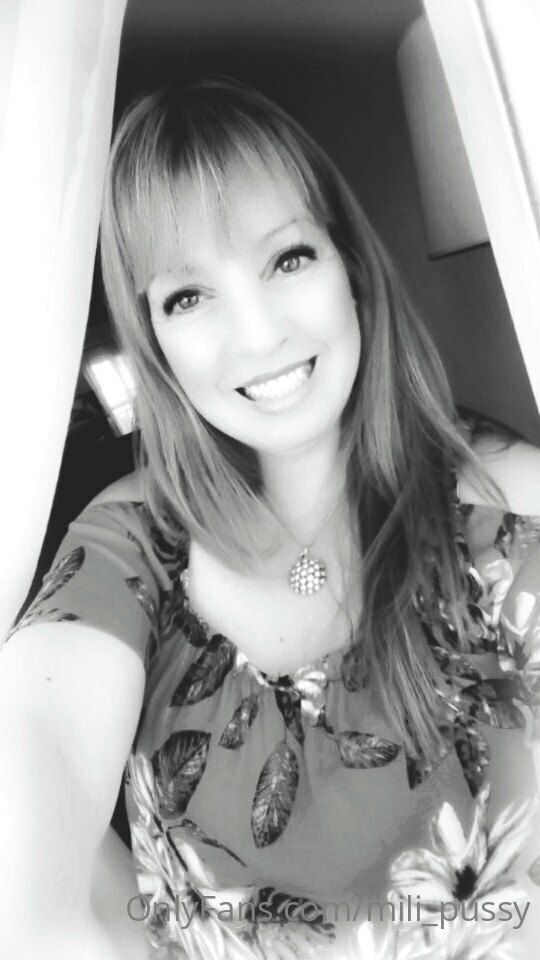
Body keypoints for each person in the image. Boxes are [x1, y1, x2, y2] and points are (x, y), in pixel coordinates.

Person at [2, 76, 540, 960]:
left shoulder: (503, 506)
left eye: (287, 259)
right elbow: (34, 757)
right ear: (154, 341)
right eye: (188, 297)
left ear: (350, 266)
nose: (258, 336)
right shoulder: (130, 549)